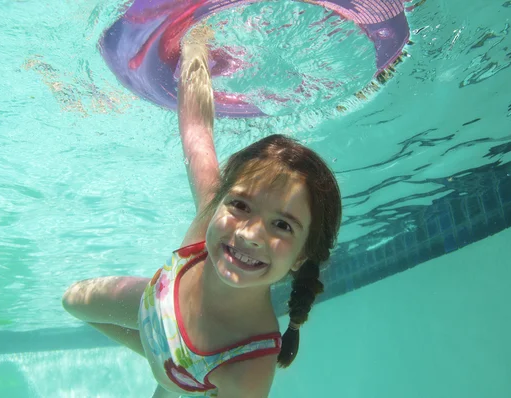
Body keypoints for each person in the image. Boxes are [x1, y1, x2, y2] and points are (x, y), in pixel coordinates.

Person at [62, 25, 342, 398]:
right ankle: (158, 361)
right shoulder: (210, 212)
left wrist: (171, 375)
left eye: (281, 225)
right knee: (71, 300)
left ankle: (168, 375)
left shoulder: (249, 368)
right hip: (151, 307)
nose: (248, 233)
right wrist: (196, 43)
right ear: (221, 199)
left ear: (302, 255)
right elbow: (196, 132)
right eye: (240, 205)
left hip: (186, 383)